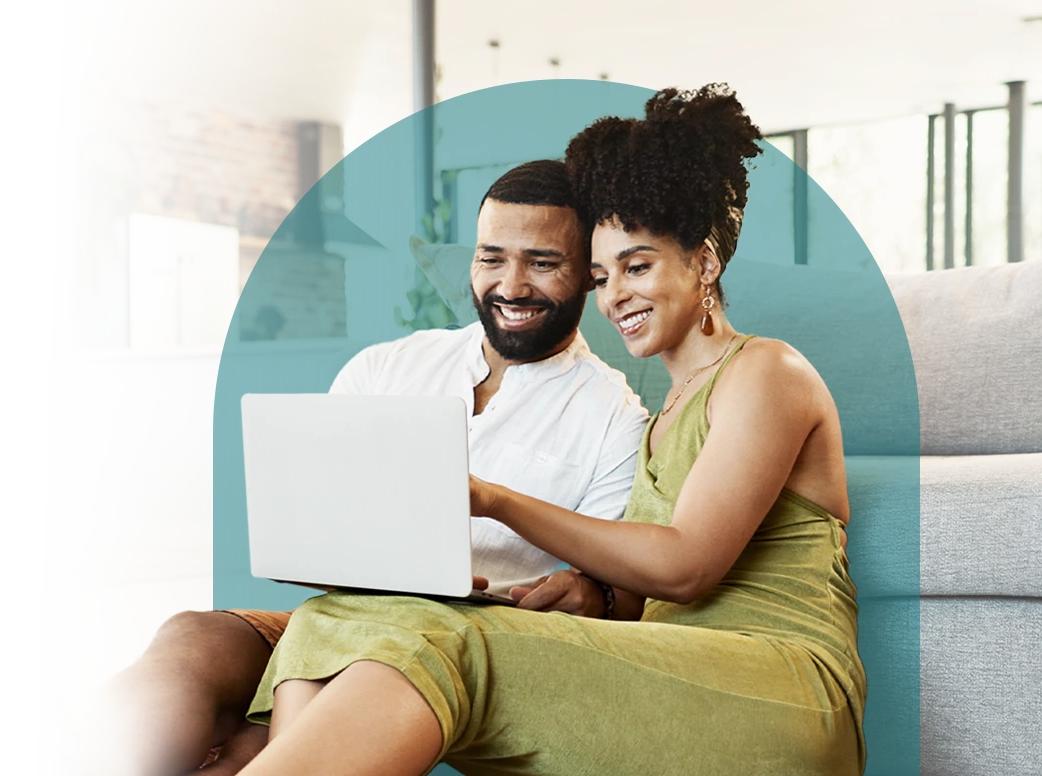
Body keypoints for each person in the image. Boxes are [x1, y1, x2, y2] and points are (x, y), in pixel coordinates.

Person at [235, 84, 865, 776]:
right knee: (338, 616)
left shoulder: (766, 369)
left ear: (705, 262)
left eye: (639, 265)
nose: (615, 295)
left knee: (447, 641)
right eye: (599, 276)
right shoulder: (667, 412)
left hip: (773, 680)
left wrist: (495, 499)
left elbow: (687, 567)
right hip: (669, 664)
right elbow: (637, 589)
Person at [74, 159, 650, 776]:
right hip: (341, 616)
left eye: (542, 262)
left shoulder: (615, 417)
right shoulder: (388, 367)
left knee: (269, 734)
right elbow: (315, 516)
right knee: (195, 632)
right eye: (491, 258)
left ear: (589, 275)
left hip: (460, 645)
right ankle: (75, 766)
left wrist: (596, 593)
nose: (511, 285)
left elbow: (618, 585)